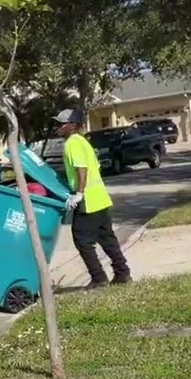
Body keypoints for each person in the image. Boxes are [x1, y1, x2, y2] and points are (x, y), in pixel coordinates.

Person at [56, 116, 131, 288]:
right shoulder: (82, 141)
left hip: (88, 201)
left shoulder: (73, 143)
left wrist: (79, 193)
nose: (58, 127)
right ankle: (122, 273)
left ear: (73, 126)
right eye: (57, 124)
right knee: (107, 238)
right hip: (100, 198)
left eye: (61, 124)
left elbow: (82, 168)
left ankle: (98, 278)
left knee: (82, 240)